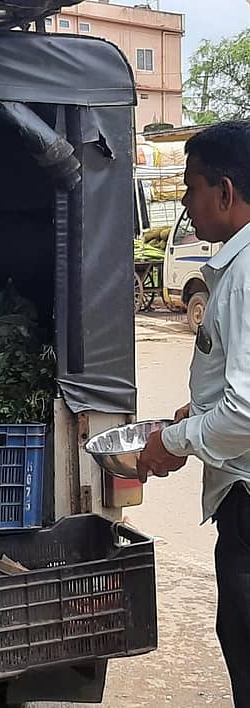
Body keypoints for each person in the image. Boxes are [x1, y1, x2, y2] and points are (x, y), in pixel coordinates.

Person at [136, 121, 250, 707]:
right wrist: (196, 412)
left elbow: (247, 415)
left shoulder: (244, 276)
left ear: (225, 192)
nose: (184, 201)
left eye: (190, 187)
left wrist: (174, 441)